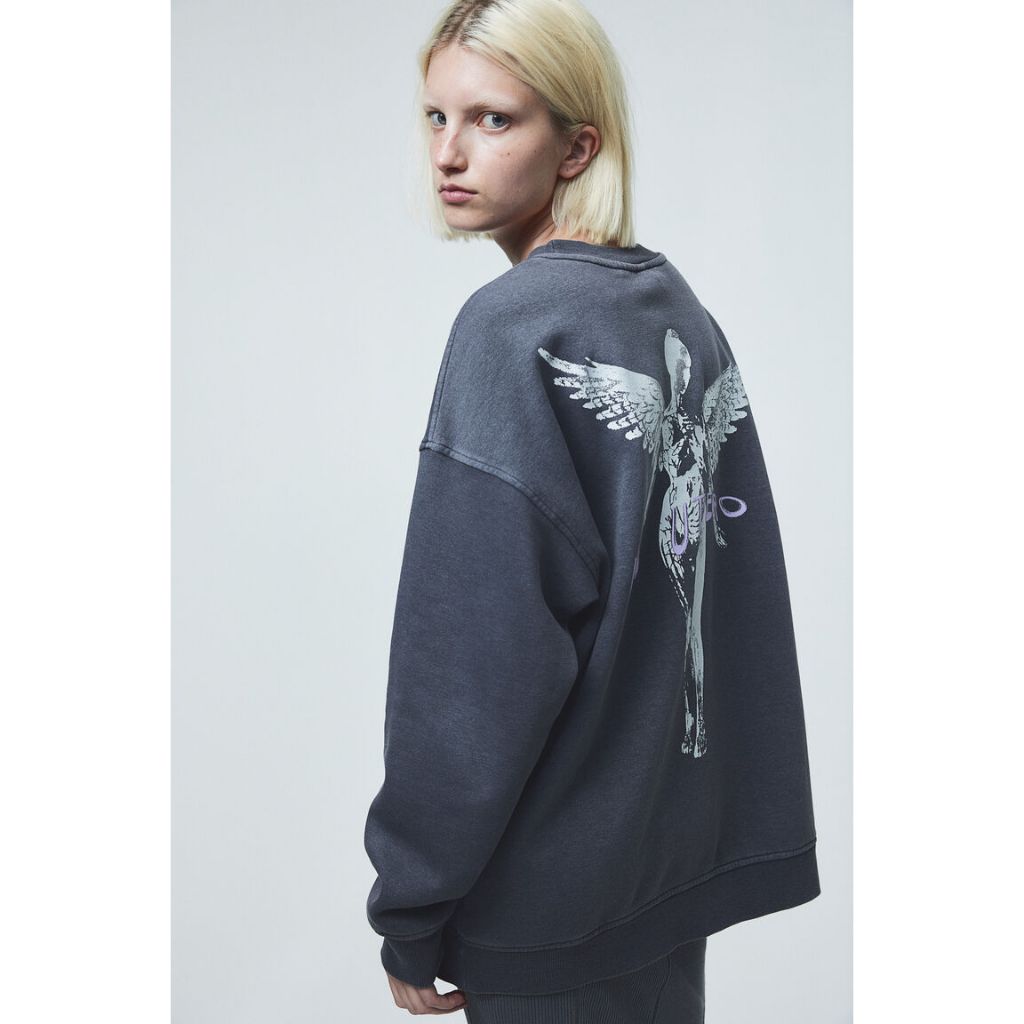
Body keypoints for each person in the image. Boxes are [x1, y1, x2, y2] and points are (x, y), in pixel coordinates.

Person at [363, 0, 821, 1019]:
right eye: (436, 116)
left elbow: (472, 659)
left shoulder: (509, 328)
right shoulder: (674, 309)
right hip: (657, 883)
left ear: (577, 146)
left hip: (550, 910)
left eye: (493, 119)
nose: (448, 153)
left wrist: (412, 901)